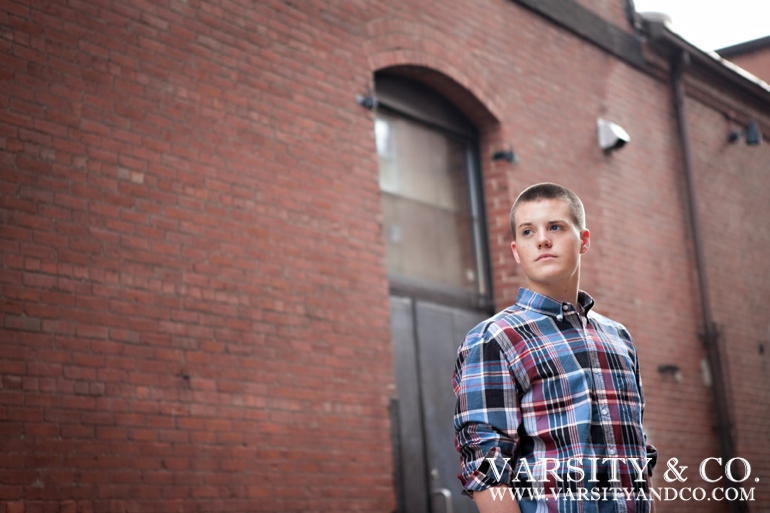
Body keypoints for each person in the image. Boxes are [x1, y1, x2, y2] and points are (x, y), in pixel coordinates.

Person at [453, 183, 657, 513]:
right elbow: (486, 466)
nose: (542, 239)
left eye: (556, 227)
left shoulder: (618, 339)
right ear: (517, 251)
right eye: (528, 231)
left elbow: (637, 451)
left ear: (584, 241)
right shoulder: (495, 338)